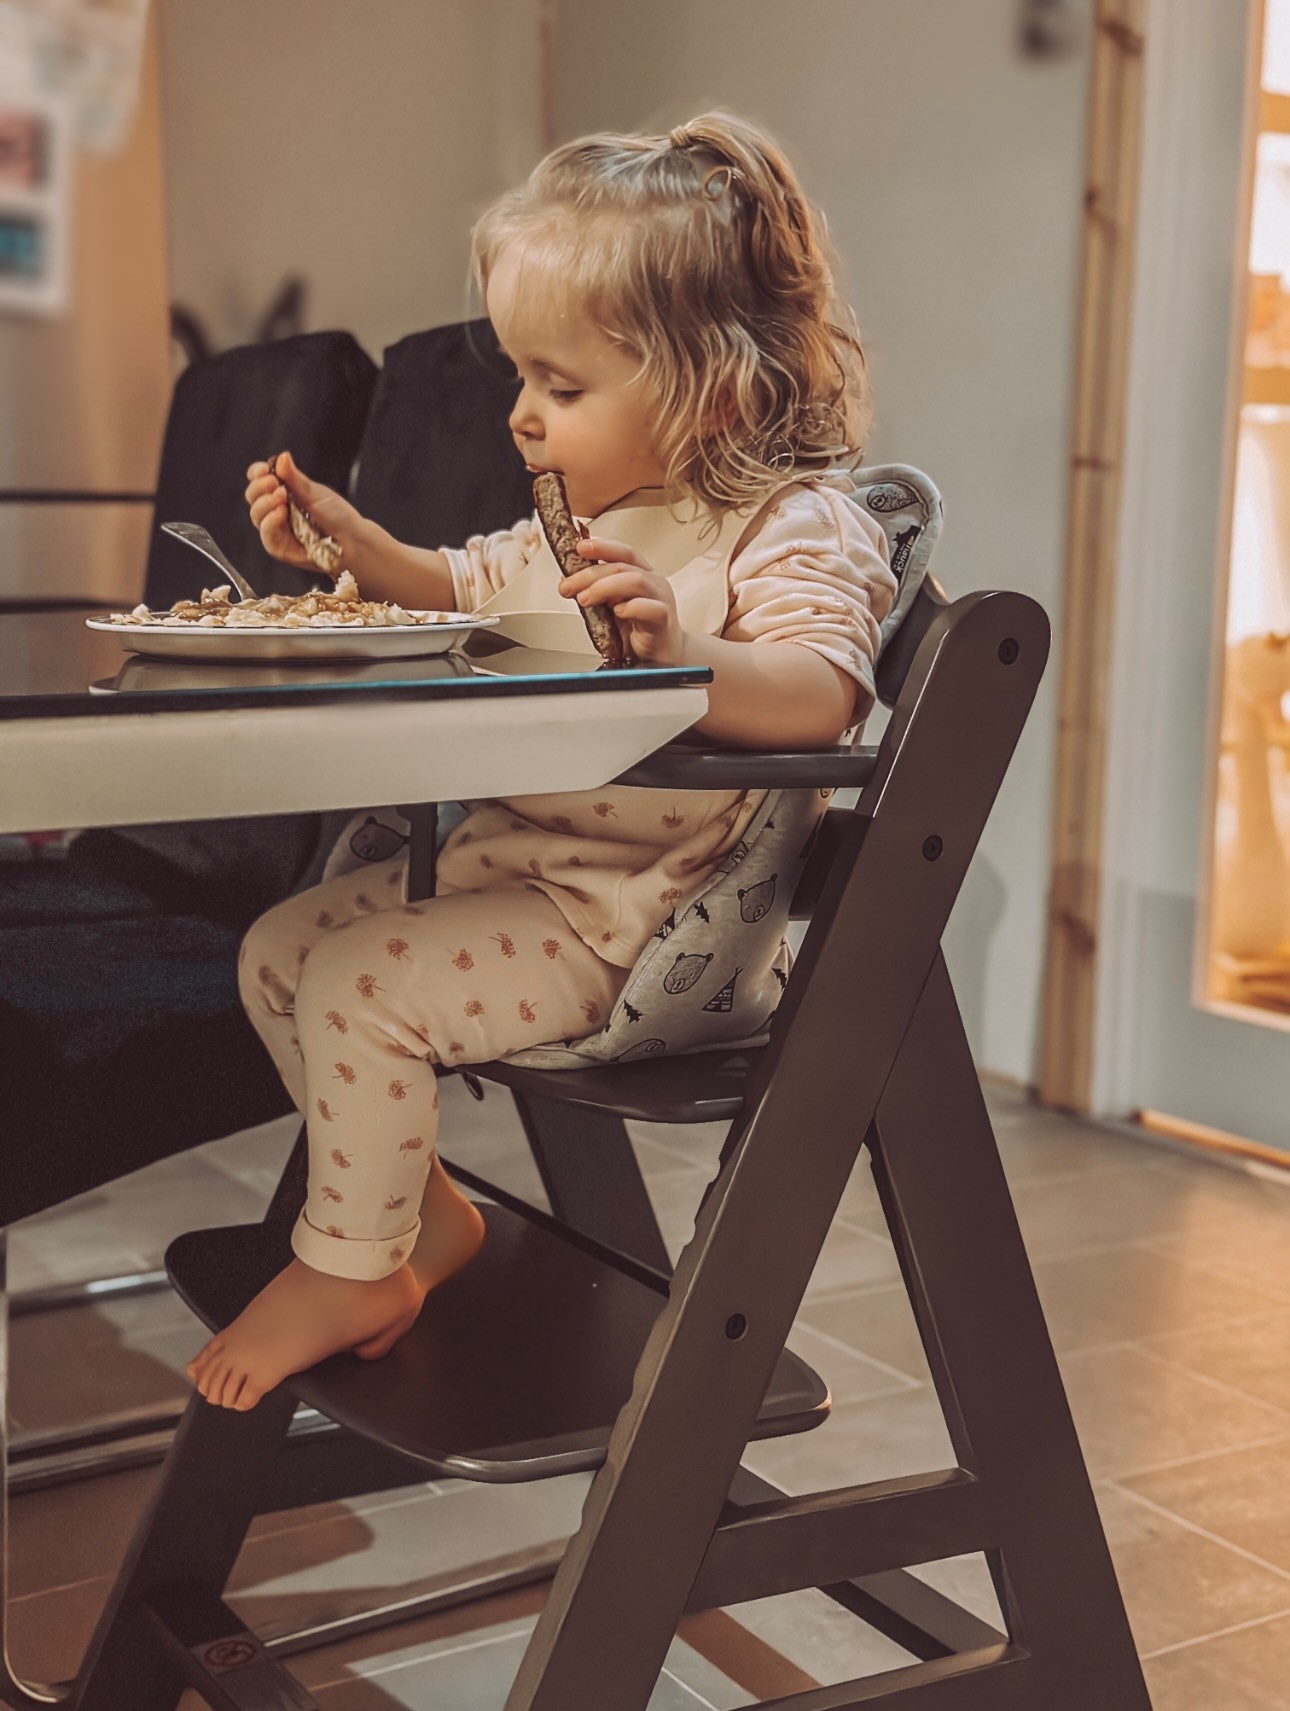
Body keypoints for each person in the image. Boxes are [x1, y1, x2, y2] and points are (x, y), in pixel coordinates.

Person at [187, 112, 898, 1410]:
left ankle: (352, 1263)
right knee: (278, 952)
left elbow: (814, 695)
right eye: (522, 377)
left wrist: (679, 648)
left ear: (716, 387)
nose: (521, 416)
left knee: (354, 983)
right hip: (508, 877)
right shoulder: (582, 521)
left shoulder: (795, 527)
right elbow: (458, 590)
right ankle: (419, 1219)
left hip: (643, 932)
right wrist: (358, 548)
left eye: (560, 387)